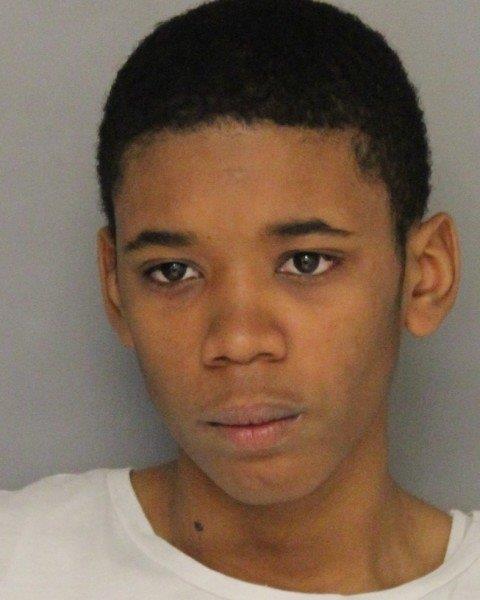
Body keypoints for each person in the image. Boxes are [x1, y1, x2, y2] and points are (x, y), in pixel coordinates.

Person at [1, 0, 478, 598]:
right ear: (116, 289)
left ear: (426, 277)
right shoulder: (19, 561)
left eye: (306, 262)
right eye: (173, 271)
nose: (239, 341)